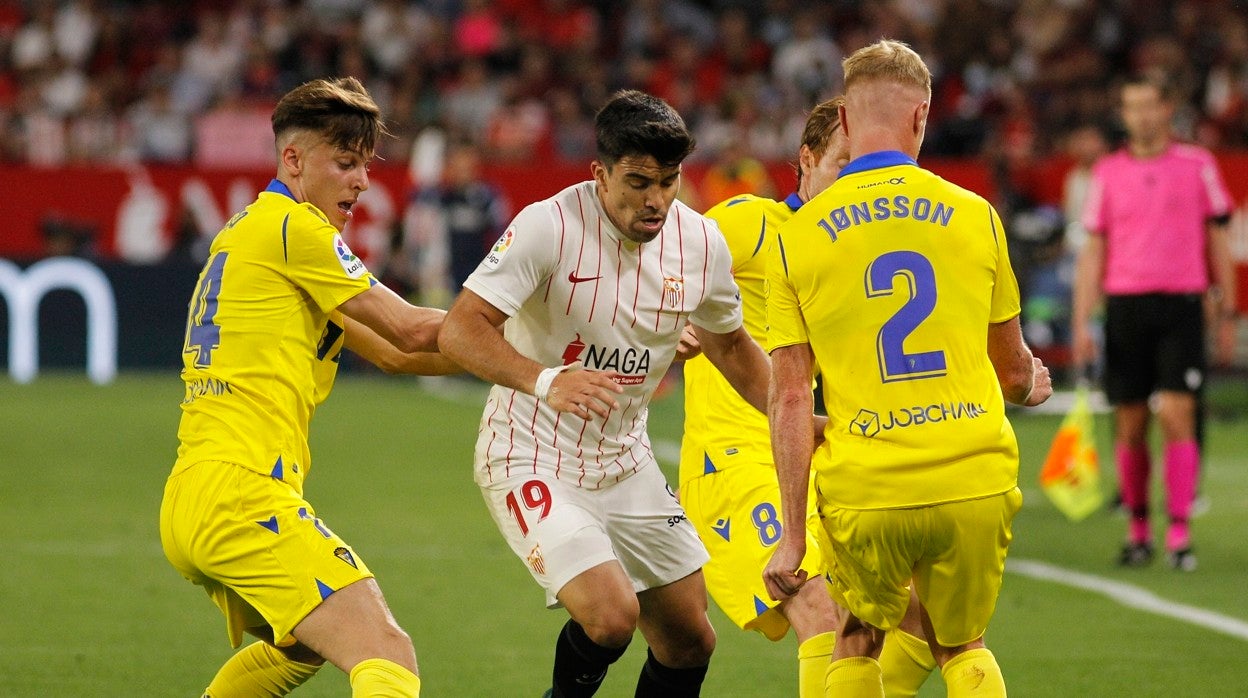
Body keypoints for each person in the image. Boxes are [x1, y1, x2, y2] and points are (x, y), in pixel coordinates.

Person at [437, 89, 773, 697]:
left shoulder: (700, 243)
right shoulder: (548, 225)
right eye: (639, 181)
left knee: (691, 640)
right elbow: (460, 330)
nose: (656, 200)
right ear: (600, 174)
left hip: (625, 460)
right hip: (528, 452)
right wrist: (546, 380)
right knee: (611, 615)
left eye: (668, 182)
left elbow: (733, 347)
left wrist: (797, 416)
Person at [763, 40, 1052, 697]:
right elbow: (1013, 375)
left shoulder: (799, 236)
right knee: (961, 646)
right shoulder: (974, 215)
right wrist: (1033, 383)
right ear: (921, 117)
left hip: (869, 487)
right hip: (971, 475)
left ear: (842, 122)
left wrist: (788, 536)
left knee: (857, 636)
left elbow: (787, 399)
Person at [160, 76, 457, 698]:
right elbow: (408, 326)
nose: (362, 181)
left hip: (199, 489)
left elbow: (397, 356)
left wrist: (535, 366)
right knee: (387, 652)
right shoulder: (297, 230)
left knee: (297, 647)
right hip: (242, 493)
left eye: (366, 165)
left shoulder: (251, 231)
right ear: (292, 160)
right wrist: (544, 323)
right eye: (345, 163)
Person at [678, 95, 934, 698]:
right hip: (735, 460)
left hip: (816, 456)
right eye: (843, 165)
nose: (855, 182)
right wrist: (669, 319)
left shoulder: (854, 253)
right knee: (815, 602)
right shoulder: (751, 221)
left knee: (921, 618)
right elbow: (665, 266)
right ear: (807, 159)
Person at [1072, 71, 1237, 572]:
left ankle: (1180, 533)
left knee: (1176, 415)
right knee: (1131, 423)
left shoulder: (1197, 165)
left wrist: (1226, 309)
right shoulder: (1107, 172)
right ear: (1123, 115)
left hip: (1181, 305)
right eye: (1131, 107)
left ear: (1167, 109)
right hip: (1124, 306)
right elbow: (1093, 249)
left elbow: (1216, 239)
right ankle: (1139, 529)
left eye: (1149, 105)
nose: (1141, 116)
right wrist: (1082, 320)